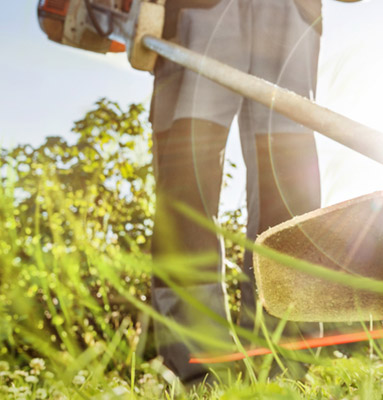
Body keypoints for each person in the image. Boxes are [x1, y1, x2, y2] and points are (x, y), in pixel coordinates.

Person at [148, 0, 329, 383]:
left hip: (290, 11)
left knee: (290, 186)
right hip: (194, 11)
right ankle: (198, 374)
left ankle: (286, 371)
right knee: (185, 185)